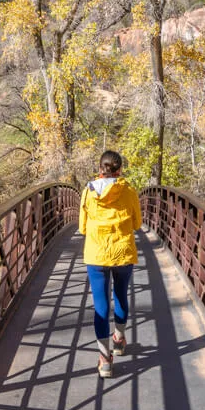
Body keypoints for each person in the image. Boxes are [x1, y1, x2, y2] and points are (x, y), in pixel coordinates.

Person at [78, 150, 142, 377]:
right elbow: (137, 224)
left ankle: (105, 359)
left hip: (96, 255)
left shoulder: (88, 191)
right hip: (123, 252)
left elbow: (83, 228)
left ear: (100, 167)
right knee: (121, 295)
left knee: (101, 305)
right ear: (120, 169)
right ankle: (120, 338)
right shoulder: (130, 191)